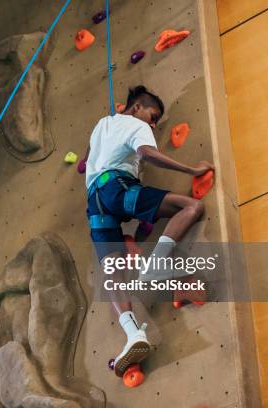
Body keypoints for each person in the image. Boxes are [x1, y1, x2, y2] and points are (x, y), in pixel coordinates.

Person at [81, 85, 214, 377]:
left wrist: (91, 162)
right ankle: (156, 264)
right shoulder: (135, 125)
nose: (153, 124)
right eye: (152, 116)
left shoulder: (102, 124)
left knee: (112, 271)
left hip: (95, 203)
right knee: (191, 207)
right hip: (117, 188)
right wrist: (192, 171)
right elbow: (147, 154)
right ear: (137, 107)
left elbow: (85, 159)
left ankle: (133, 334)